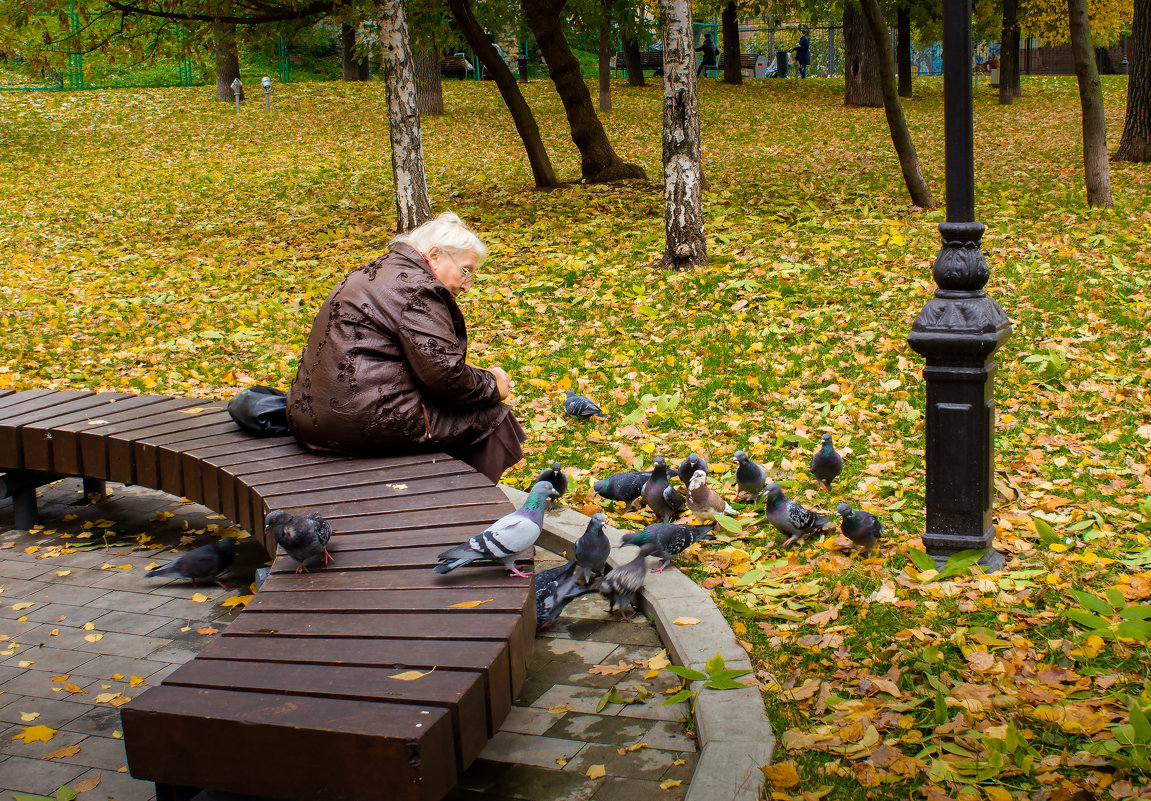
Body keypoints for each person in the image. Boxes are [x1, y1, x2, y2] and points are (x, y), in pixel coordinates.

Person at [286, 212, 526, 483]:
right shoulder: (418, 289)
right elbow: (447, 378)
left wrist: (475, 372)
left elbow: (416, 358)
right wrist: (495, 385)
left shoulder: (377, 271)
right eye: (465, 270)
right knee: (493, 417)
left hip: (308, 417)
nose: (467, 285)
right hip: (357, 423)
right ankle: (459, 504)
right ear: (435, 255)